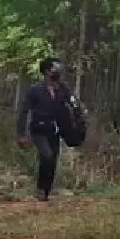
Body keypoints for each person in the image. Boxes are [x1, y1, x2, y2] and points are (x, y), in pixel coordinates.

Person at [16, 58, 72, 202]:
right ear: (47, 71)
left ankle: (45, 193)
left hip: (55, 130)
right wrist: (21, 134)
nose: (58, 71)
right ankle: (41, 189)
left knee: (53, 159)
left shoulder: (62, 88)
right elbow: (24, 111)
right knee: (46, 155)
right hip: (39, 129)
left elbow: (72, 104)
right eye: (56, 68)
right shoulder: (35, 90)